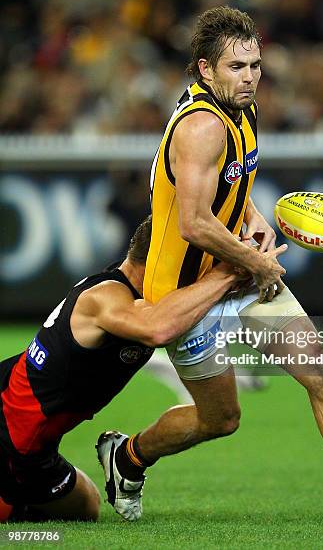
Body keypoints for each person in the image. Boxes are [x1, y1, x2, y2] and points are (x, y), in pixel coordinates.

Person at [97, 7, 323, 529]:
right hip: (186, 295)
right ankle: (127, 458)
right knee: (221, 420)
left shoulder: (244, 111)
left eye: (255, 65)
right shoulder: (200, 127)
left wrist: (255, 219)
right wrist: (256, 259)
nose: (250, 77)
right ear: (205, 69)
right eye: (236, 67)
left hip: (240, 275)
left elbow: (231, 189)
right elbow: (193, 223)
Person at [0, 215, 266, 523]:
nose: (200, 271)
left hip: (35, 437)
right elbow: (159, 329)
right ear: (163, 259)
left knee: (86, 507)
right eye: (197, 262)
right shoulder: (107, 297)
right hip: (13, 437)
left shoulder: (142, 291)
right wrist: (228, 273)